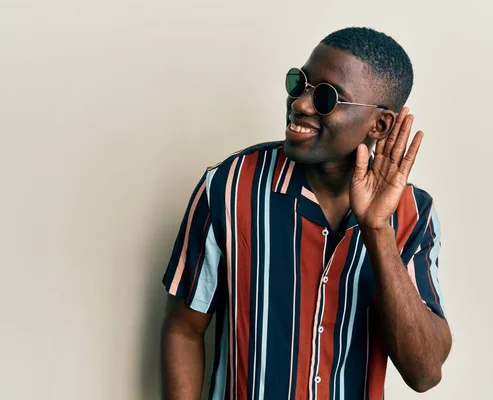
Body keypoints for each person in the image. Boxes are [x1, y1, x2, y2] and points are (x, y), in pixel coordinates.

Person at [161, 27, 452, 399]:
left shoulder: (414, 213)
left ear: (380, 125)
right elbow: (184, 329)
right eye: (300, 83)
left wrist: (377, 230)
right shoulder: (228, 187)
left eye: (327, 98)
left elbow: (424, 373)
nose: (300, 103)